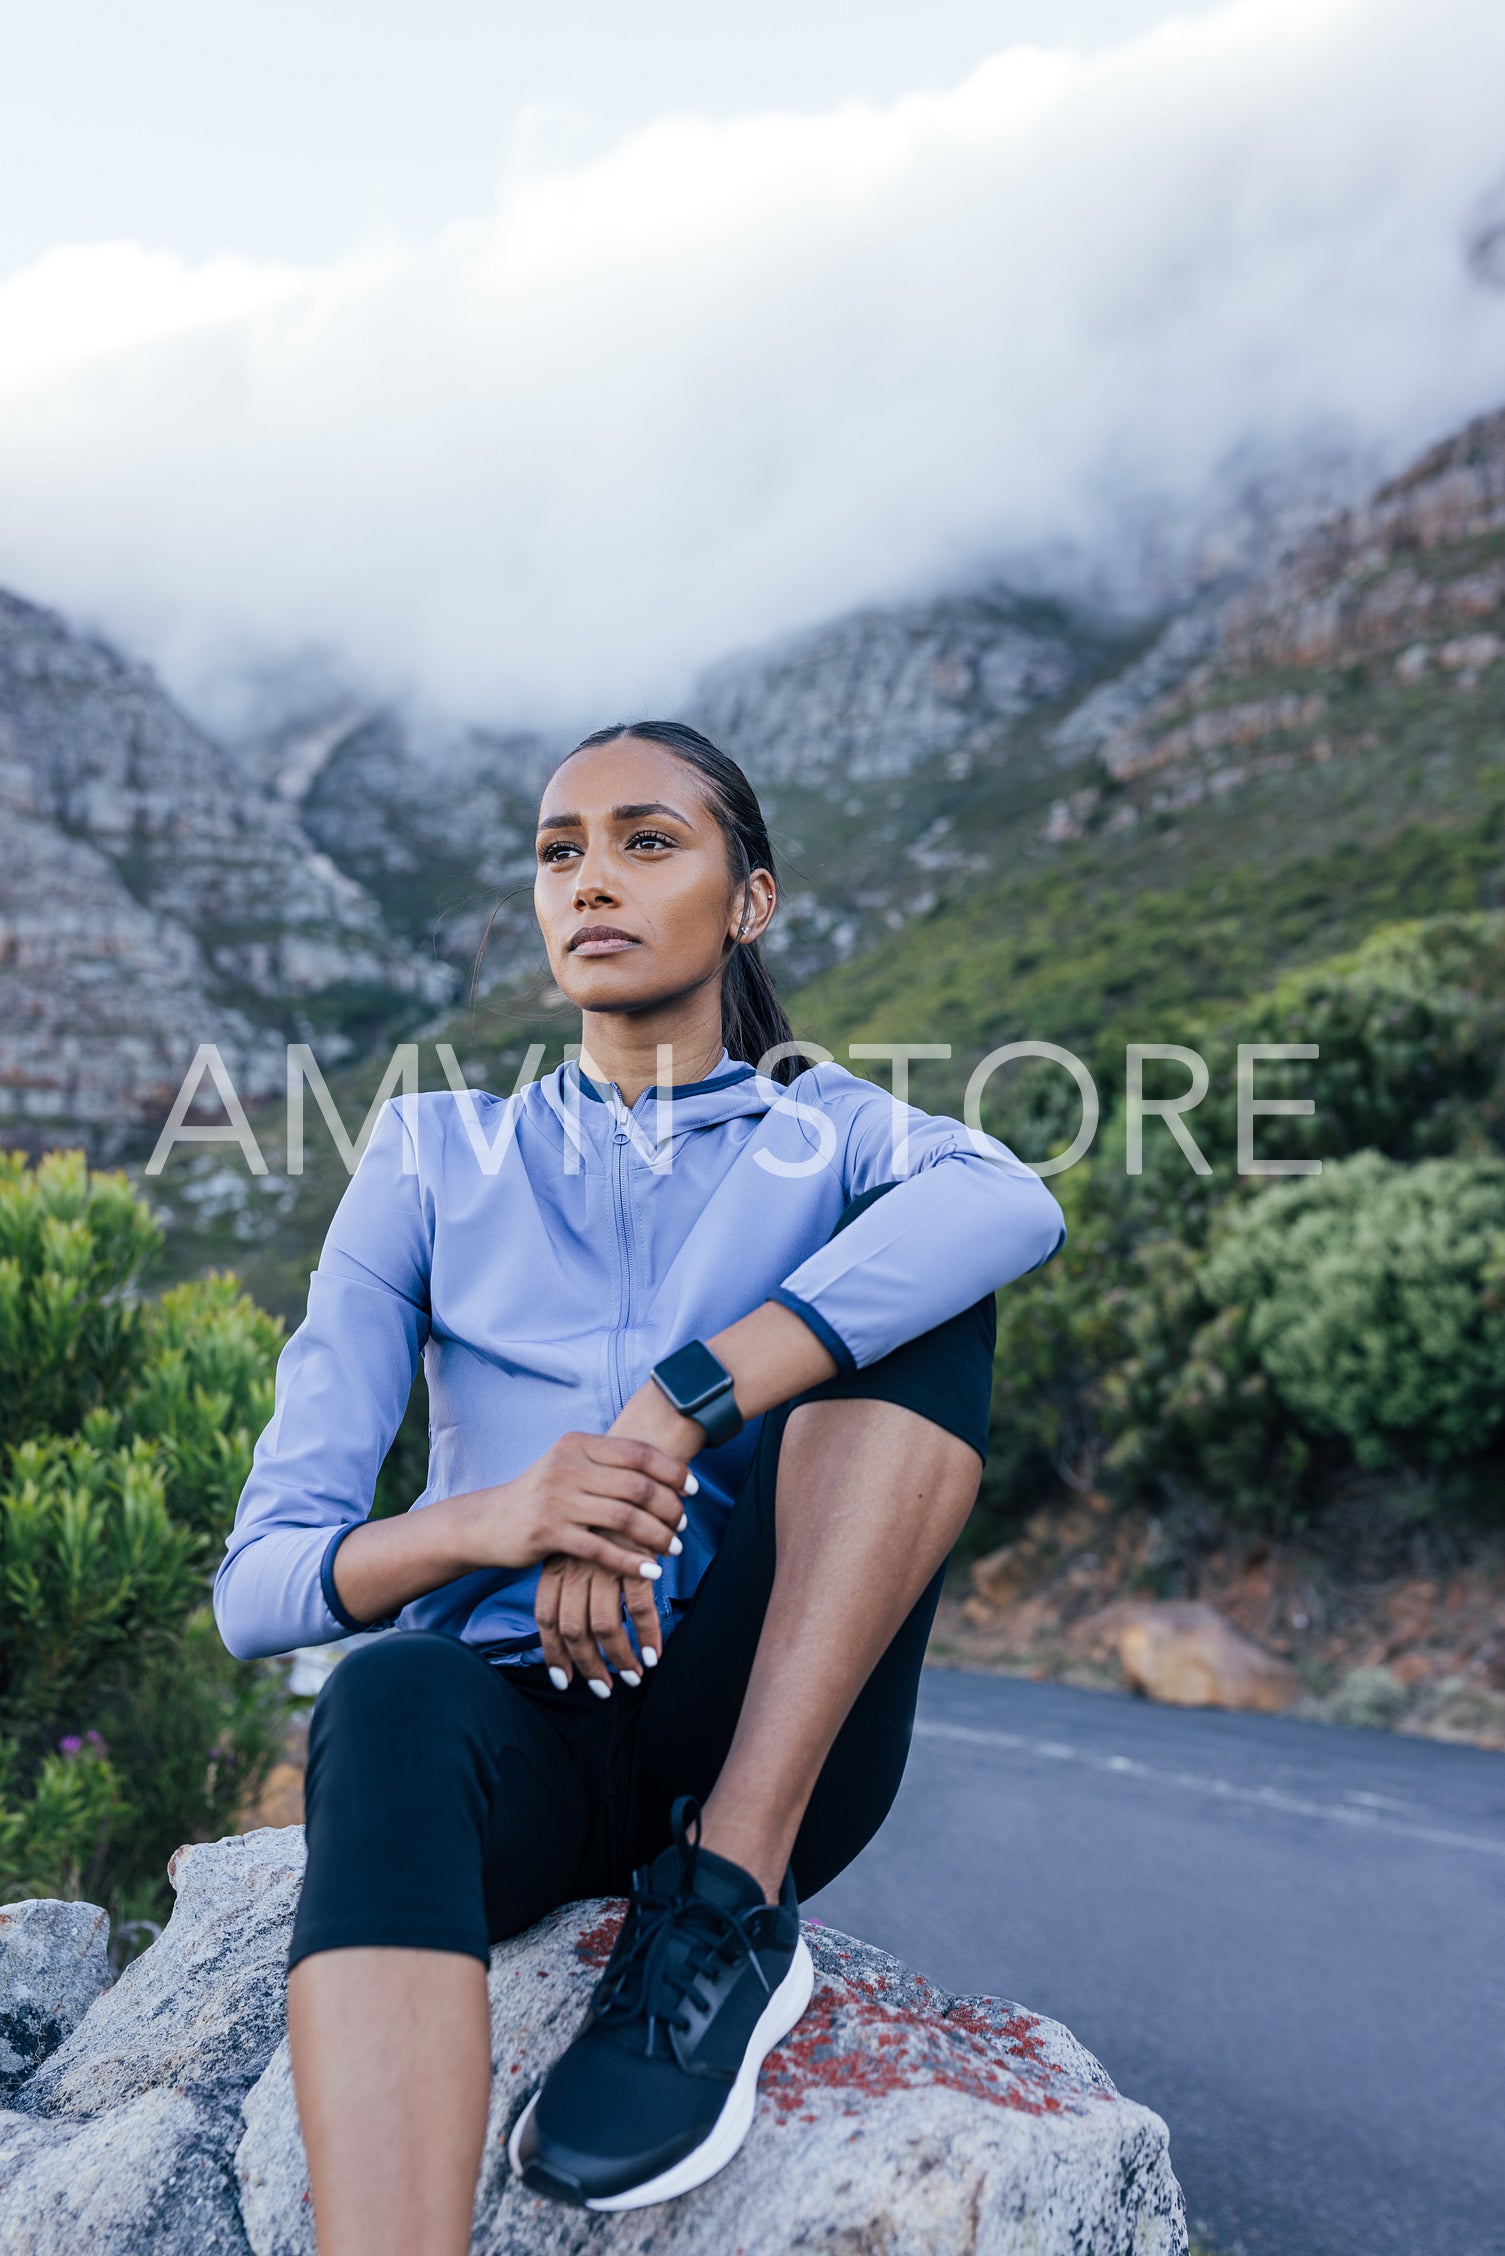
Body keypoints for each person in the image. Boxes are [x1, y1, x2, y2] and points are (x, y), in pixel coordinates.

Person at [214, 720, 1065, 2255]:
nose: (591, 880)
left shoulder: (836, 1137)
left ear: (750, 901)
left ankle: (721, 1912)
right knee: (385, 1700)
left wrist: (673, 1407)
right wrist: (508, 1517)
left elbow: (1008, 1198)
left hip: (756, 1729)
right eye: (559, 851)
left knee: (929, 1292)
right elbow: (259, 1585)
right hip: (507, 1749)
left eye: (646, 842)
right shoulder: (427, 1154)